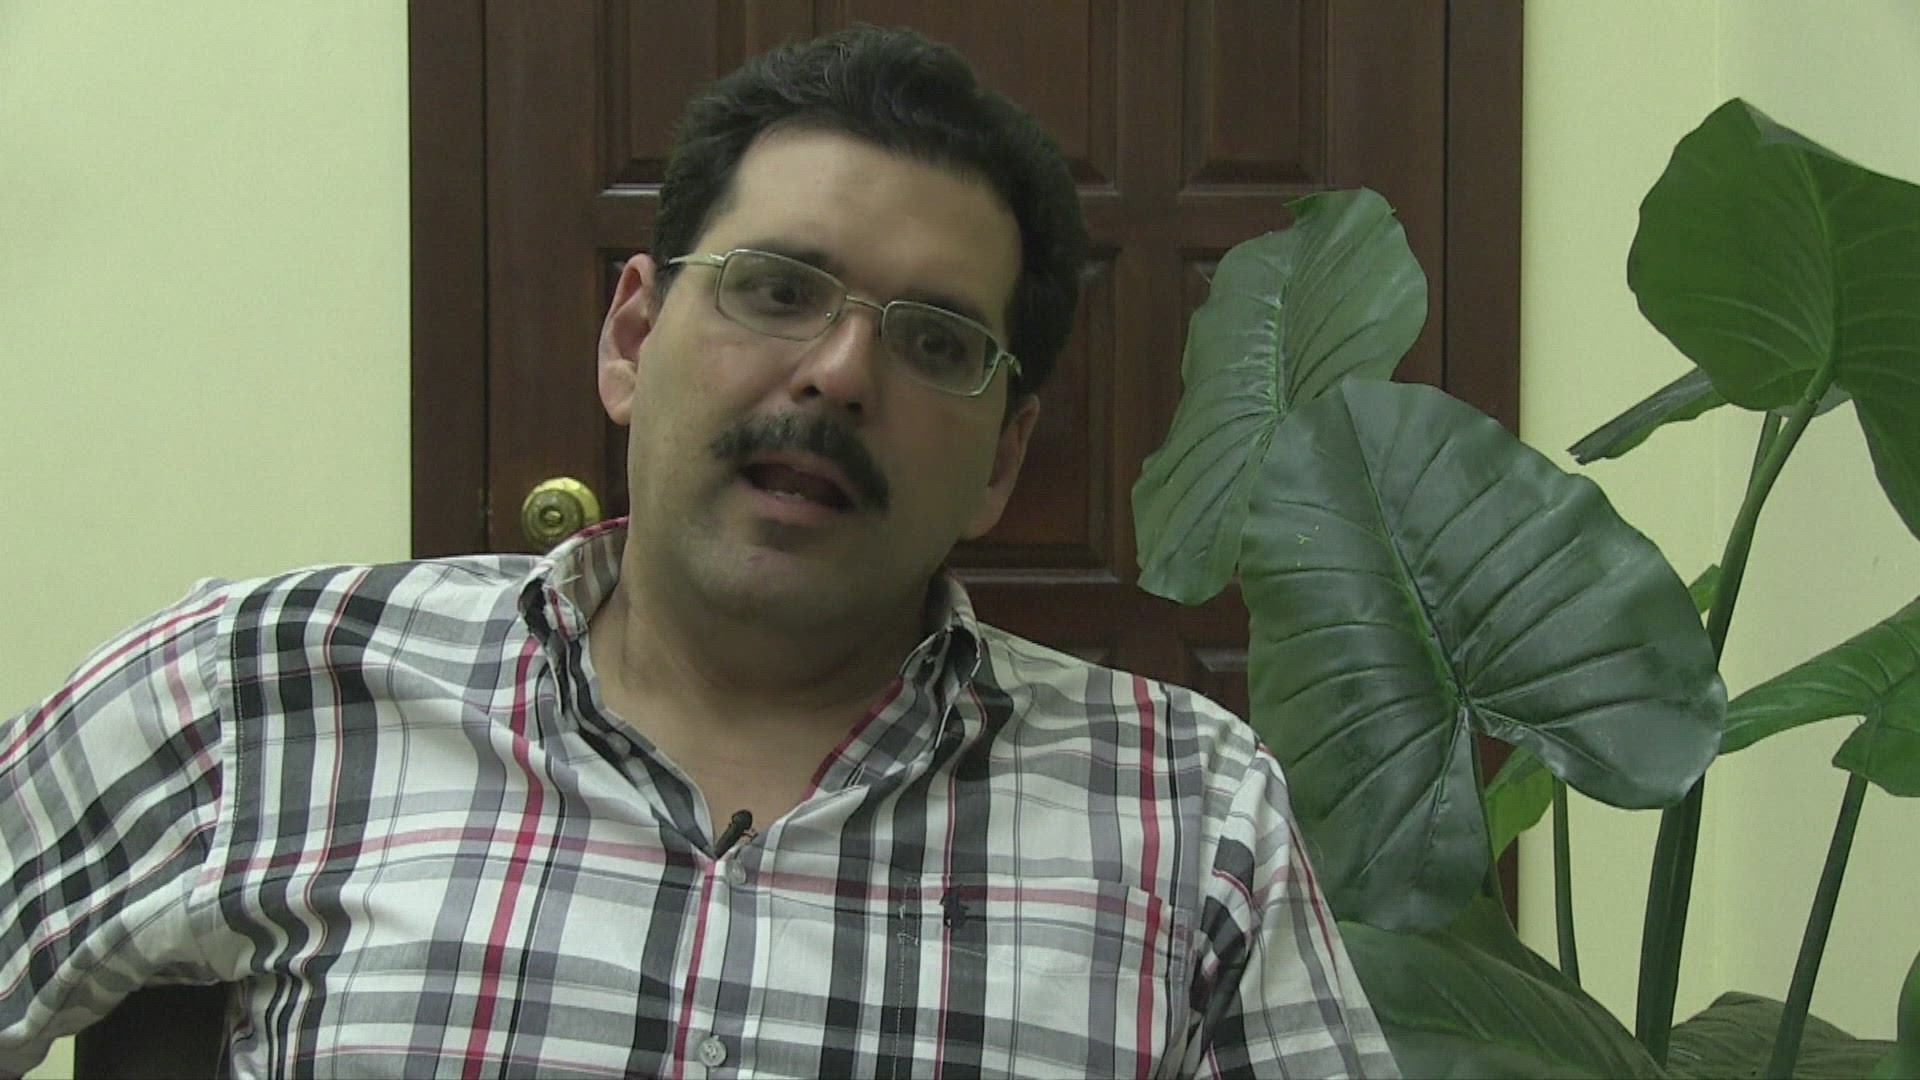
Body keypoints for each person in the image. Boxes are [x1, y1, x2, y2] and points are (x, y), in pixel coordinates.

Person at [0, 26, 1395, 1079]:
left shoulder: (1189, 813)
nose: (839, 374)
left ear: (1002, 461)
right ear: (630, 339)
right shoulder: (262, 684)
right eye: (778, 290)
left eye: (933, 341)